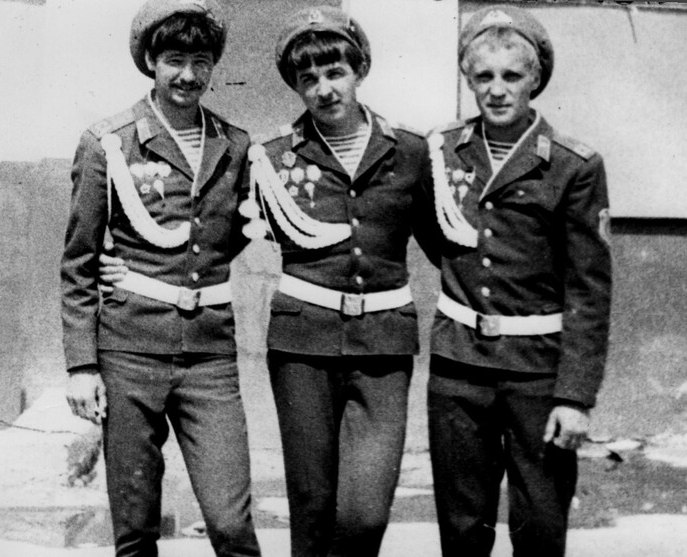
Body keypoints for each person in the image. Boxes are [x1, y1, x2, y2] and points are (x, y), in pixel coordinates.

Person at [60, 1, 261, 555]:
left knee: (230, 522)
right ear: (151, 61)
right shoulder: (108, 142)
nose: (188, 75)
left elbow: (232, 232)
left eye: (201, 61)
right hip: (130, 350)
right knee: (135, 527)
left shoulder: (235, 145)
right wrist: (81, 366)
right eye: (175, 60)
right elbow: (78, 262)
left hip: (209, 354)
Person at [243, 6, 434, 556]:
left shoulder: (410, 151)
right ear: (296, 86)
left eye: (335, 73)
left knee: (365, 514)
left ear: (359, 70)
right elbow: (212, 227)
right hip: (301, 346)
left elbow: (446, 245)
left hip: (384, 343)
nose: (324, 89)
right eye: (308, 78)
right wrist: (125, 264)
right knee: (311, 505)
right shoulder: (272, 157)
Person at [424, 6, 612, 556]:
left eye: (512, 76)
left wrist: (575, 397)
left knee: (540, 526)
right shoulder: (442, 152)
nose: (497, 90)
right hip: (459, 366)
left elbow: (589, 288)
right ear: (468, 79)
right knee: (462, 528)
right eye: (484, 76)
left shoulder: (573, 166)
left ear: (535, 79)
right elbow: (436, 236)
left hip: (537, 372)